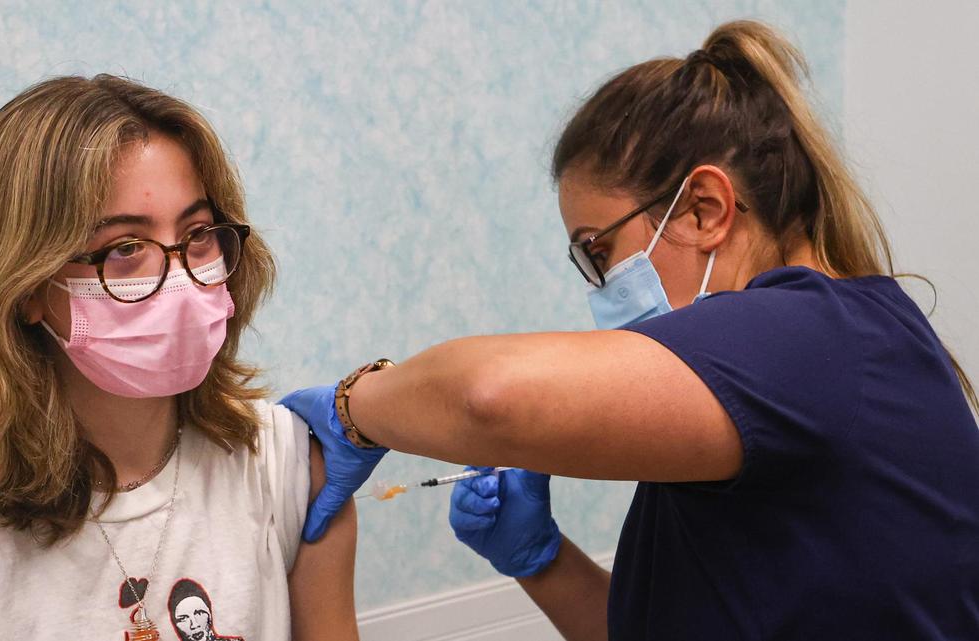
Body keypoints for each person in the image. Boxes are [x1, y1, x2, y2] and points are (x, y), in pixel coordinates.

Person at [281, 20, 979, 640]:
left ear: (705, 209)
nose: (598, 289)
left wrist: (355, 409)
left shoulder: (809, 335)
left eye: (597, 251)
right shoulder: (788, 371)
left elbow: (486, 397)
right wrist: (543, 558)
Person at [0, 75, 358, 641]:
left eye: (199, 233)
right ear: (26, 288)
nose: (178, 277)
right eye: (125, 248)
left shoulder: (283, 463)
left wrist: (369, 405)